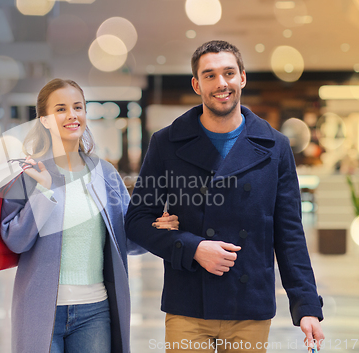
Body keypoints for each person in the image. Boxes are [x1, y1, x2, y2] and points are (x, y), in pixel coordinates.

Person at [125, 40, 324, 353]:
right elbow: (136, 220)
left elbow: (289, 233)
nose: (221, 83)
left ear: (242, 77)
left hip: (249, 305)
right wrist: (194, 248)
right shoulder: (167, 143)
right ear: (196, 84)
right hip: (188, 303)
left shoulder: (275, 147)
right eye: (209, 75)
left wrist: (306, 304)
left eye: (229, 73)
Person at [0, 78, 179, 353]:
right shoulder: (30, 175)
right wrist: (43, 192)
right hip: (41, 309)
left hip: (95, 312)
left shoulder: (105, 174)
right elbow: (16, 241)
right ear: (44, 120)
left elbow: (126, 239)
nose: (72, 115)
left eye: (78, 107)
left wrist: (155, 227)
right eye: (61, 109)